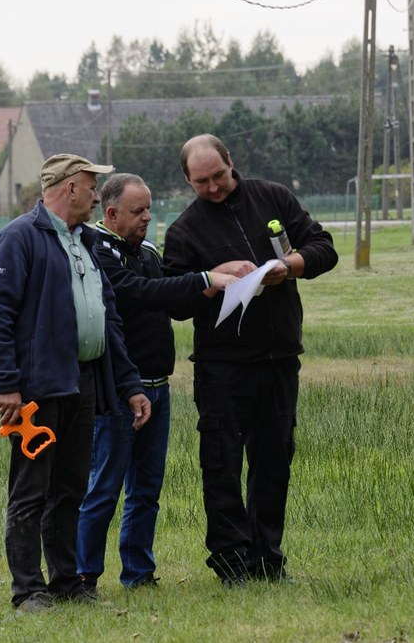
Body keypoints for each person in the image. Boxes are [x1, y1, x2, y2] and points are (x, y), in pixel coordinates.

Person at [0, 153, 151, 613]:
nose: (97, 196)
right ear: (71, 187)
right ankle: (28, 590)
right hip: (35, 389)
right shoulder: (18, 238)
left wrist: (129, 383)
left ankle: (66, 582)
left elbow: (108, 319)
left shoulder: (87, 241)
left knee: (71, 487)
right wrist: (5, 384)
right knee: (31, 490)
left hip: (83, 381)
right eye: (93, 186)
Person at [162, 134, 339, 586]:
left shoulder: (273, 197)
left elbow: (324, 247)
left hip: (280, 358)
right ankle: (230, 563)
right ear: (188, 180)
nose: (214, 188)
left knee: (274, 460)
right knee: (221, 464)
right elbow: (176, 302)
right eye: (201, 182)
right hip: (222, 367)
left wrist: (290, 266)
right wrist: (214, 280)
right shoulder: (184, 230)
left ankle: (268, 560)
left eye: (218, 176)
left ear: (231, 163)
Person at [76, 173, 237, 595]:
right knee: (104, 489)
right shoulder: (96, 251)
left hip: (159, 387)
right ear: (110, 214)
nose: (148, 217)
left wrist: (222, 283)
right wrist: (205, 278)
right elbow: (137, 292)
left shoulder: (147, 251)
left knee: (146, 490)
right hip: (117, 392)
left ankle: (139, 573)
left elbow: (170, 298)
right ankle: (83, 574)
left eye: (149, 208)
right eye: (138, 211)